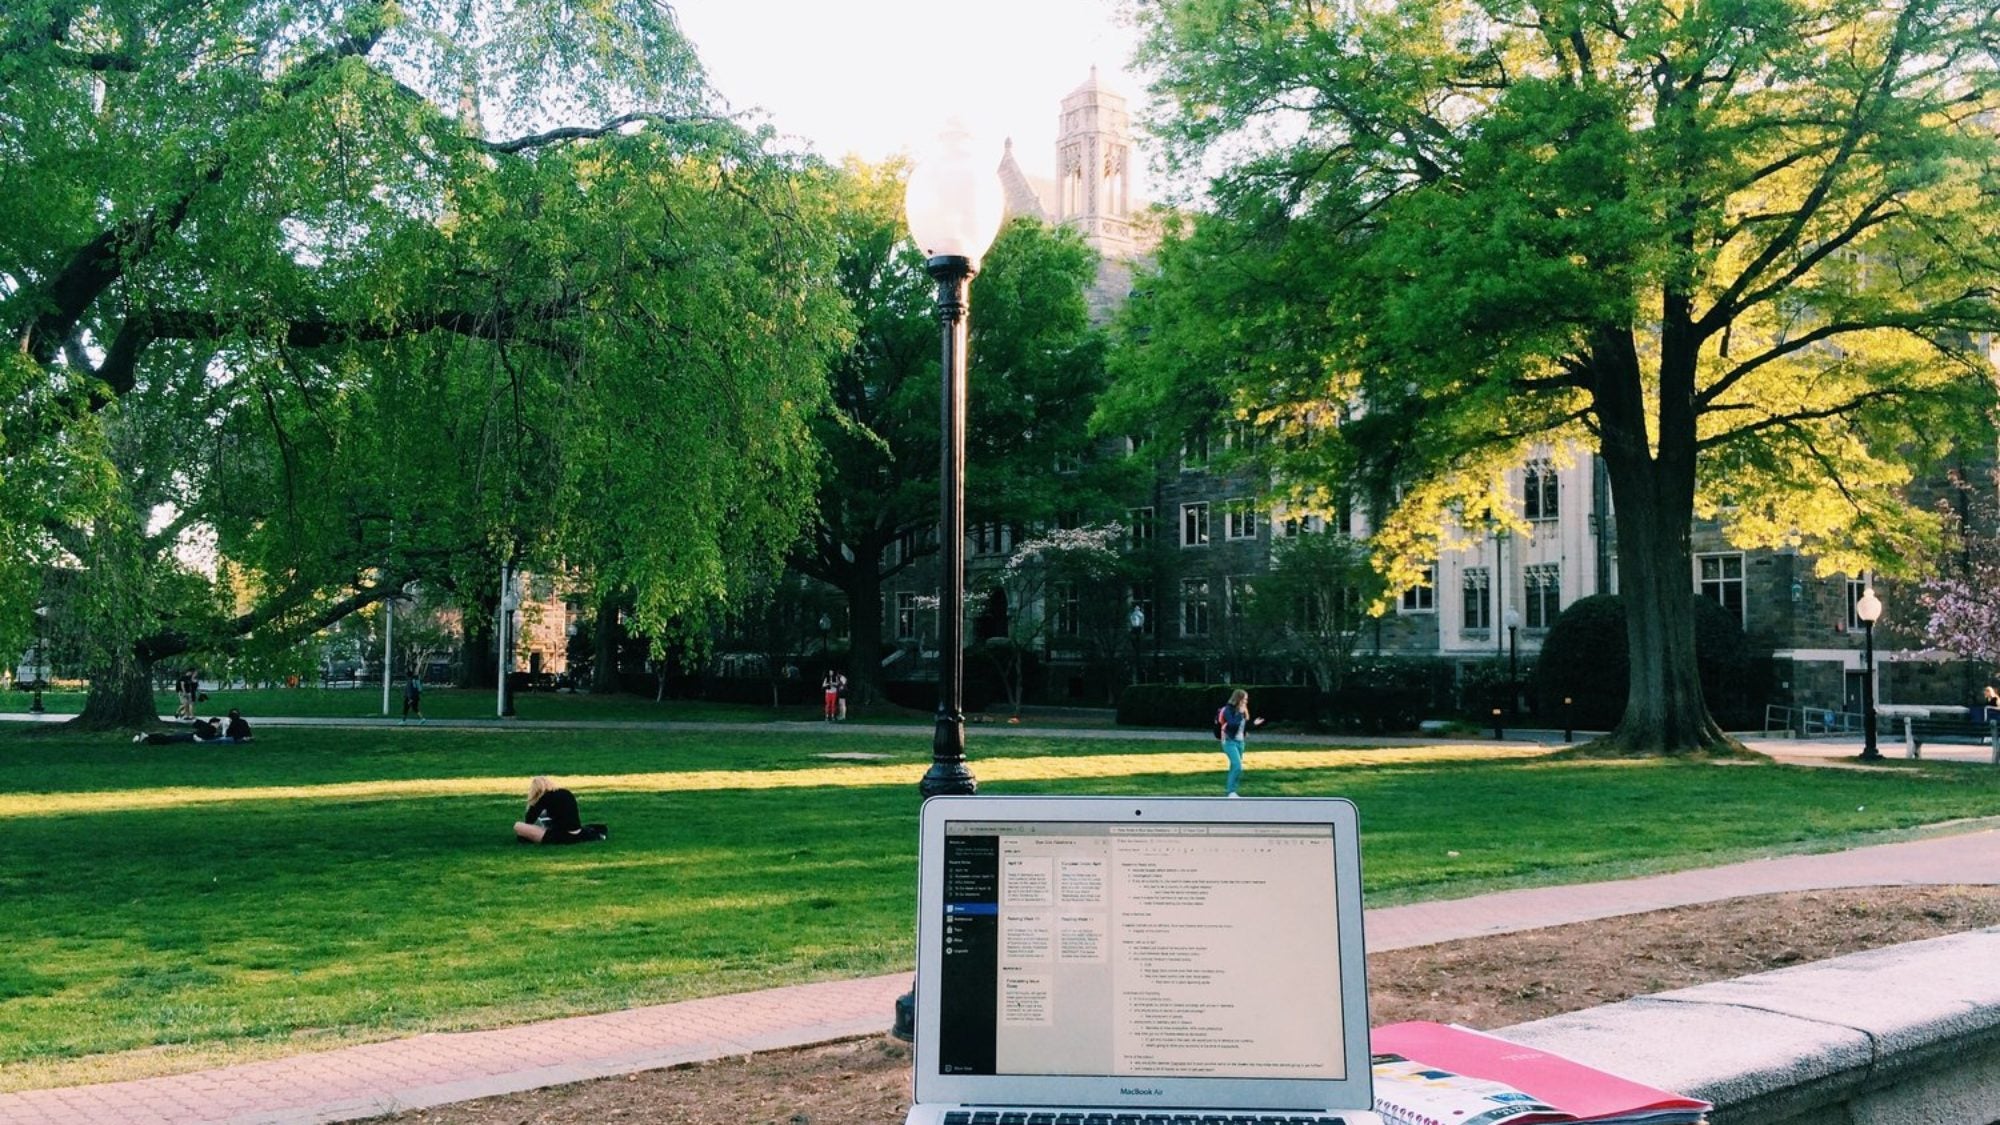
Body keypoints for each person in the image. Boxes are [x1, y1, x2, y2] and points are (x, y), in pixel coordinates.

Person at [514, 776, 607, 844]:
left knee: (518, 826)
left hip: (561, 836)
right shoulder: (565, 792)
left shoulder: (543, 798)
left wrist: (532, 803)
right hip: (577, 831)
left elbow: (529, 820)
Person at [1215, 688, 1264, 797]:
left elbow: (1243, 727)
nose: (1246, 702)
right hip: (1229, 741)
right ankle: (1231, 791)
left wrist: (1254, 724)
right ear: (1238, 699)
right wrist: (1239, 713)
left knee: (1235, 766)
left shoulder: (1243, 711)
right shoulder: (1229, 709)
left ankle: (1231, 791)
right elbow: (1232, 724)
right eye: (1244, 699)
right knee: (1237, 765)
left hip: (1240, 742)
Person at [136, 715, 221, 745]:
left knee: (170, 738)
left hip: (189, 735)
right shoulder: (211, 728)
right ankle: (147, 737)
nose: (218, 725)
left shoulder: (206, 725)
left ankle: (147, 737)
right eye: (217, 723)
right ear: (213, 723)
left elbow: (194, 722)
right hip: (189, 737)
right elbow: (202, 736)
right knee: (169, 739)